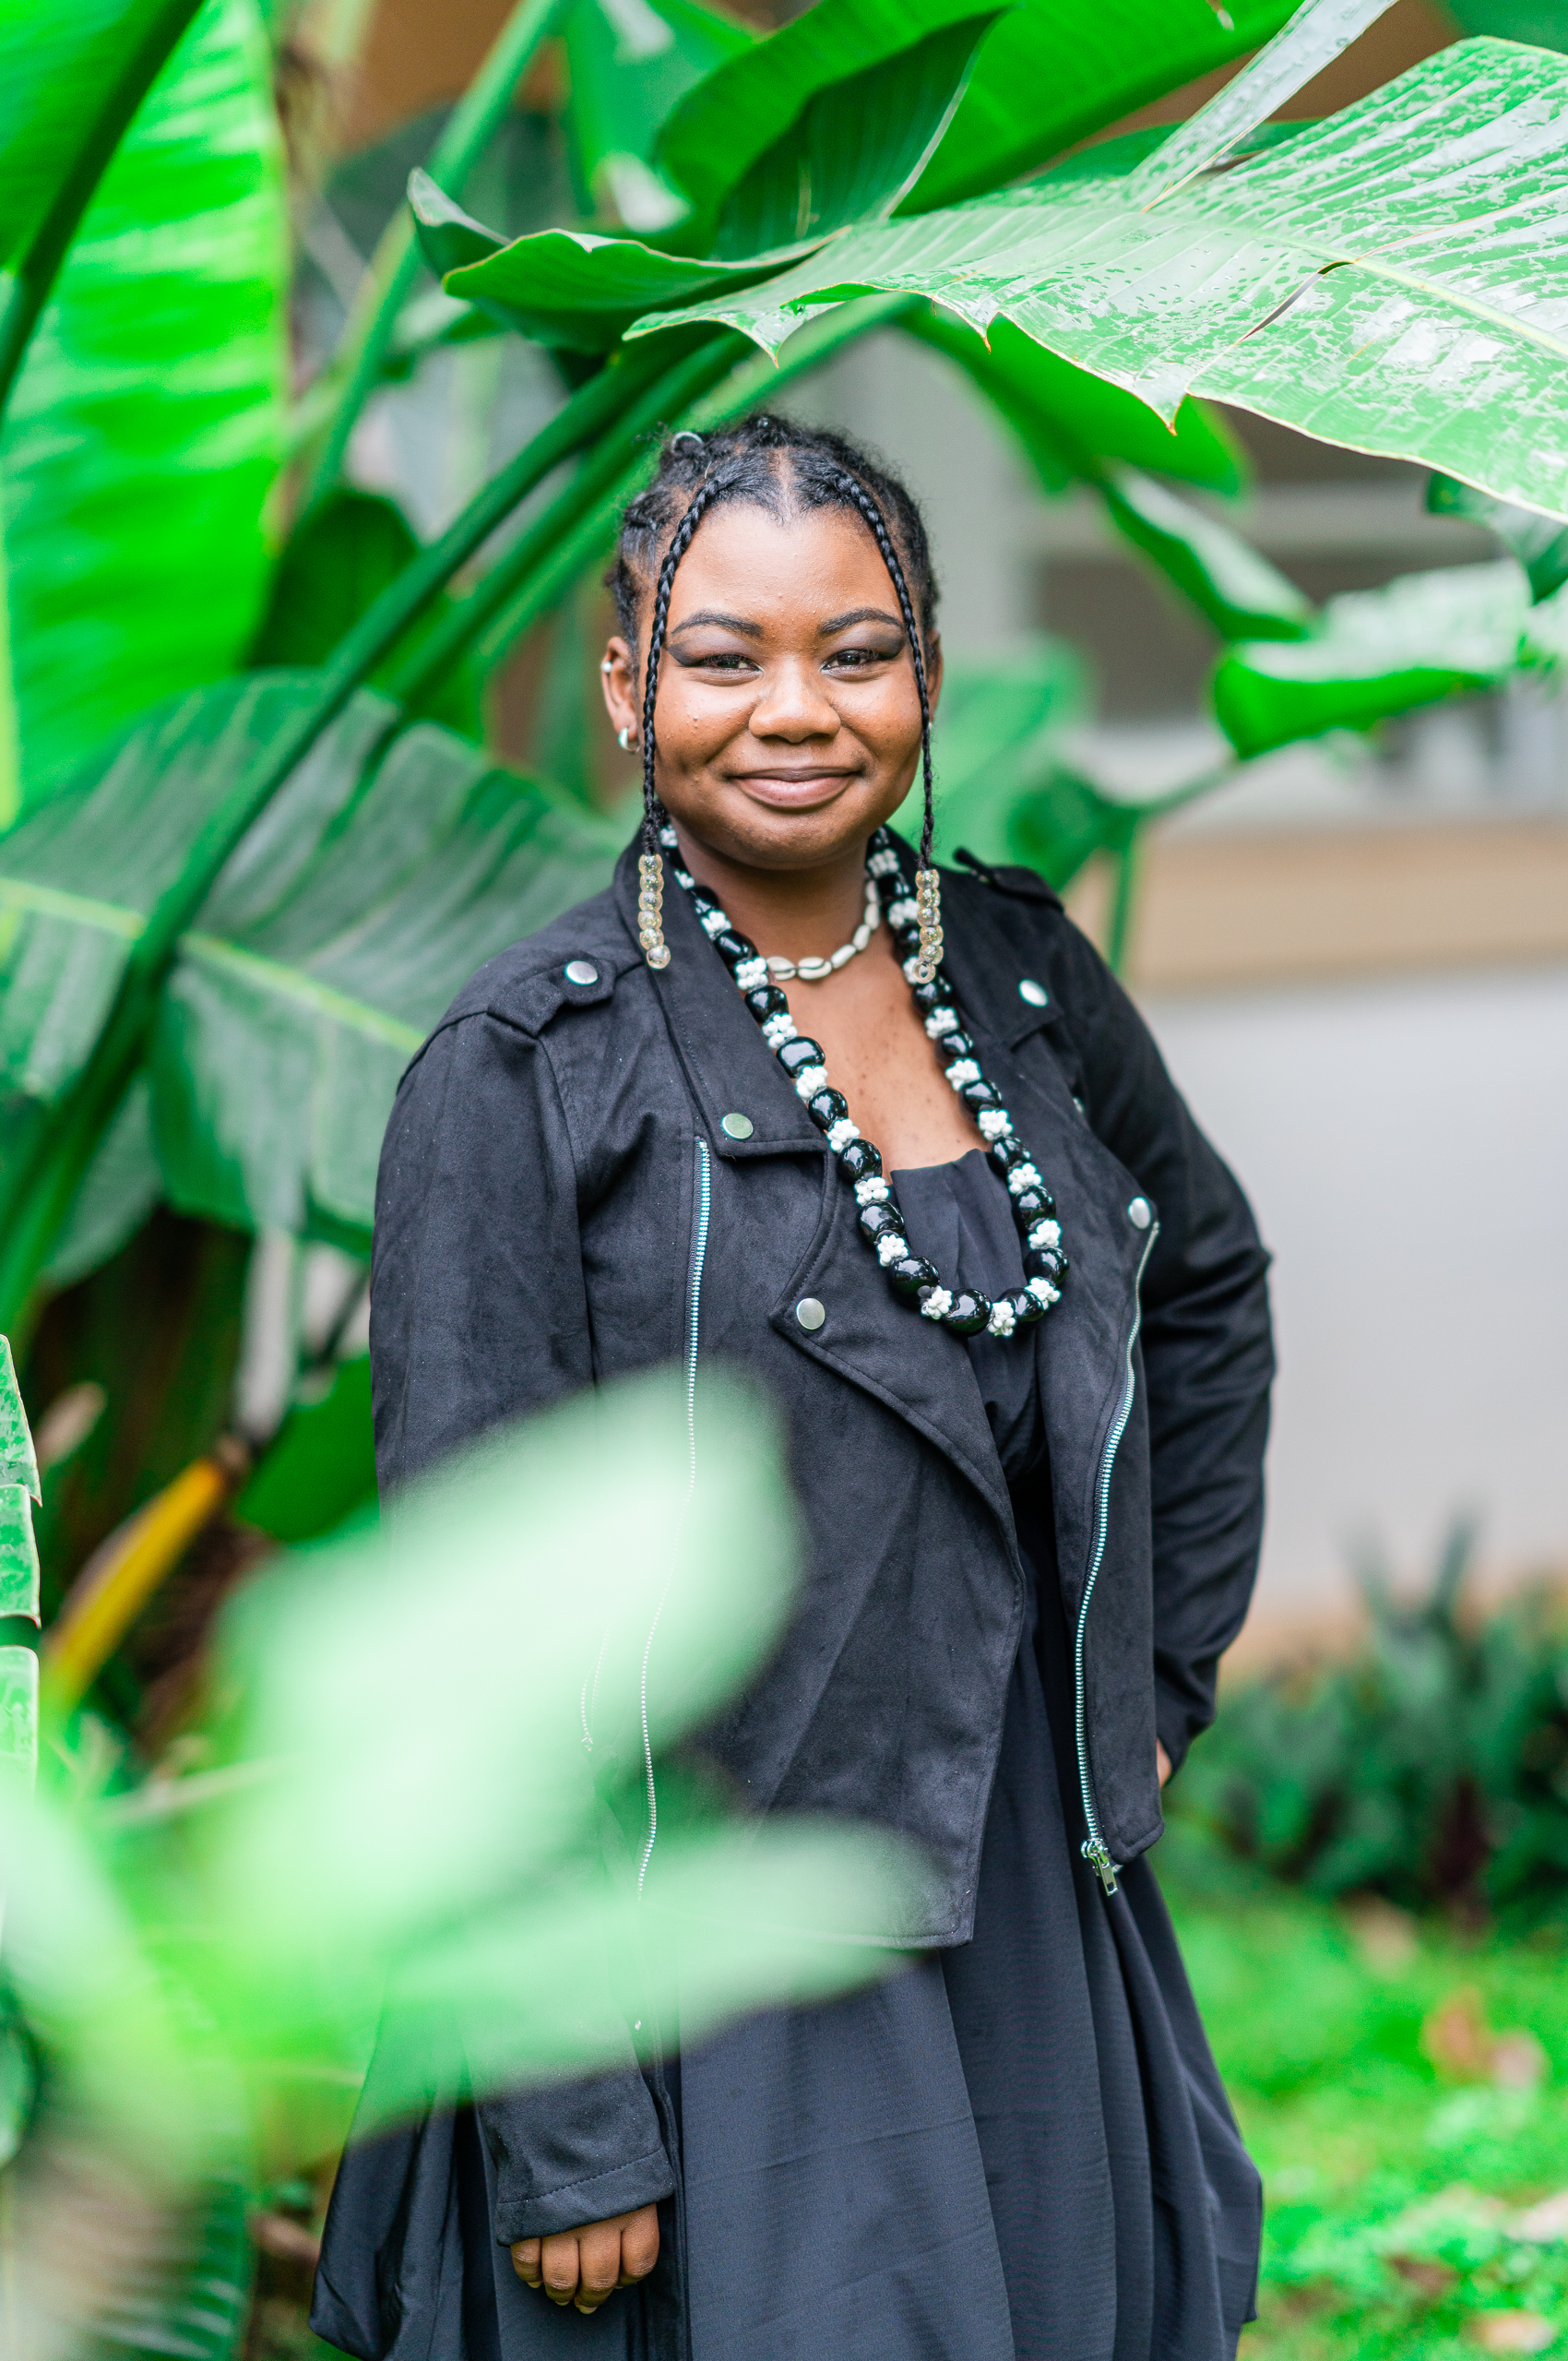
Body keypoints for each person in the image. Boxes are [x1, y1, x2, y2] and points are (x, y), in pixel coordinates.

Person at [312, 413, 1275, 2361]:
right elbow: (477, 1617)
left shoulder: (1012, 974)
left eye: (855, 648)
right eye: (722, 652)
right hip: (693, 1935)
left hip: (1017, 1895)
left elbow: (1207, 1285)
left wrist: (1147, 1681)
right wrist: (572, 2111)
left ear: (921, 662)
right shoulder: (520, 1070)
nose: (794, 709)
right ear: (623, 681)